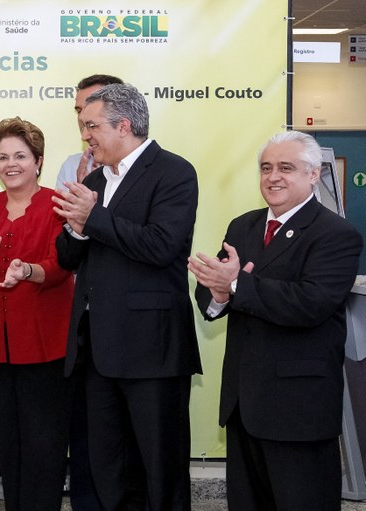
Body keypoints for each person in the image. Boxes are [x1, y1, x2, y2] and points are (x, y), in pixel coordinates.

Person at [189, 131, 363, 511]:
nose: (273, 177)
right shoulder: (243, 226)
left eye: (286, 167)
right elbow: (215, 292)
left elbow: (311, 303)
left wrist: (236, 285)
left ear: (314, 174)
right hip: (243, 404)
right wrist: (219, 293)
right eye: (266, 168)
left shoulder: (336, 234)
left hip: (297, 410)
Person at [53, 83, 201, 510]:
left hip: (151, 349)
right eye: (83, 126)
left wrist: (93, 218)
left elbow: (162, 246)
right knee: (109, 468)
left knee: (159, 468)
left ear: (124, 125)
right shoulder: (94, 181)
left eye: (92, 126)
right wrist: (78, 228)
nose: (85, 135)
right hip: (98, 351)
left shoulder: (174, 172)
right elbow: (67, 257)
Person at [0, 117, 74, 511]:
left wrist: (27, 271)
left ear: (38, 161)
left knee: (45, 441)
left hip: (45, 343)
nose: (11, 164)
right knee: (7, 439)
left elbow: (61, 267)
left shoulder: (57, 207)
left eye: (20, 156)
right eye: (3, 157)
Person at [54, 72, 122, 511]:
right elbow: (67, 247)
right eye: (79, 112)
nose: (84, 123)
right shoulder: (72, 167)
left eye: (91, 112)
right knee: (86, 433)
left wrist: (92, 211)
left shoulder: (157, 170)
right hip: (84, 321)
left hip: (130, 323)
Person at [55, 74, 124, 192]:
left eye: (90, 109)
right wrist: (80, 193)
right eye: (79, 111)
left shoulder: (145, 166)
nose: (82, 117)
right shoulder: (72, 165)